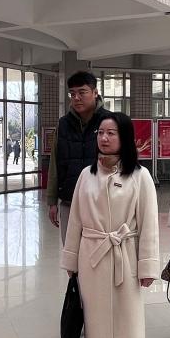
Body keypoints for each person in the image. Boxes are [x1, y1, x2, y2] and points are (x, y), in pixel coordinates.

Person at [61, 113, 159, 338]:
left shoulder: (140, 177)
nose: (103, 138)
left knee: (126, 331)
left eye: (111, 133)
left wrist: (147, 265)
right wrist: (71, 261)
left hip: (124, 259)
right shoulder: (86, 176)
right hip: (92, 262)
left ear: (124, 137)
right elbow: (75, 221)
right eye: (100, 133)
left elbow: (149, 225)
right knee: (98, 330)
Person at [47, 71, 110, 244]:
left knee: (98, 251)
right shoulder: (63, 124)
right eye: (72, 93)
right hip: (69, 200)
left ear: (95, 93)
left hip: (101, 202)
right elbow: (54, 163)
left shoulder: (109, 122)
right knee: (70, 252)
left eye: (82, 92)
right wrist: (52, 200)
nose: (76, 98)